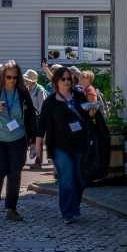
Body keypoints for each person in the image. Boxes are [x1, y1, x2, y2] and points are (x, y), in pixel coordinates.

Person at [40, 66, 102, 223]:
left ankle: (74, 205)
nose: (67, 81)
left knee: (80, 178)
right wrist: (37, 147)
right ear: (57, 81)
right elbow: (41, 126)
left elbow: (87, 117)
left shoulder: (79, 96)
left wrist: (91, 113)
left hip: (80, 144)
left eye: (69, 79)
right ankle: (68, 212)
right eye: (64, 79)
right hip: (60, 147)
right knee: (67, 178)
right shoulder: (50, 102)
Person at [0, 62, 36, 220]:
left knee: (15, 174)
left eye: (15, 77)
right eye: (8, 77)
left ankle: (11, 209)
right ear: (2, 77)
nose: (12, 80)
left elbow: (31, 116)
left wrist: (33, 140)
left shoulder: (22, 92)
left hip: (18, 139)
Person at [24, 69, 48, 168]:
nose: (25, 81)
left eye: (27, 79)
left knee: (38, 139)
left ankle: (38, 161)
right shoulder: (27, 89)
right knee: (29, 137)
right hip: (28, 117)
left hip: (38, 117)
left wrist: (41, 119)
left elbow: (43, 106)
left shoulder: (39, 90)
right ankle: (31, 153)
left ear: (32, 80)